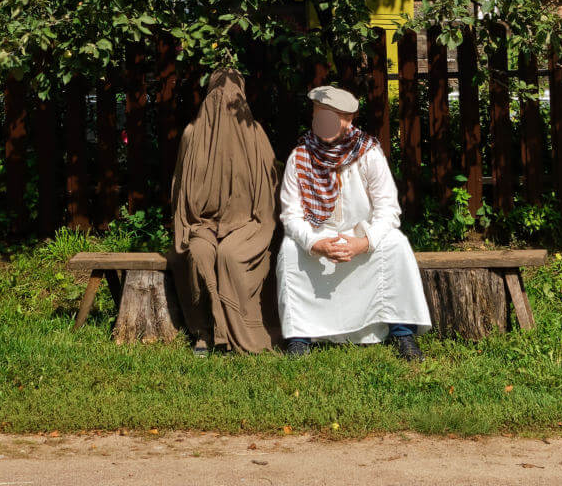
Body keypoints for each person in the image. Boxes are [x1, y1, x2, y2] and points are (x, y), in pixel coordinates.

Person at [276, 84, 431, 361]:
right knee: (290, 250)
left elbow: (388, 210)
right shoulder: (300, 156)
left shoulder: (369, 153)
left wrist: (363, 243)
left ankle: (402, 333)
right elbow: (291, 214)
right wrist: (315, 244)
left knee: (395, 244)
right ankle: (300, 337)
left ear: (348, 121)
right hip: (319, 236)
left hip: (360, 237)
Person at [169, 70, 279, 356]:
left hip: (247, 225)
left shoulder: (256, 136)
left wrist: (245, 228)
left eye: (233, 99)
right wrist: (197, 225)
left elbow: (266, 203)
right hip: (202, 225)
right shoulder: (192, 137)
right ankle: (205, 332)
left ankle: (239, 330)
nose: (225, 104)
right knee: (200, 253)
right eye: (217, 97)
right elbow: (181, 195)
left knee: (230, 254)